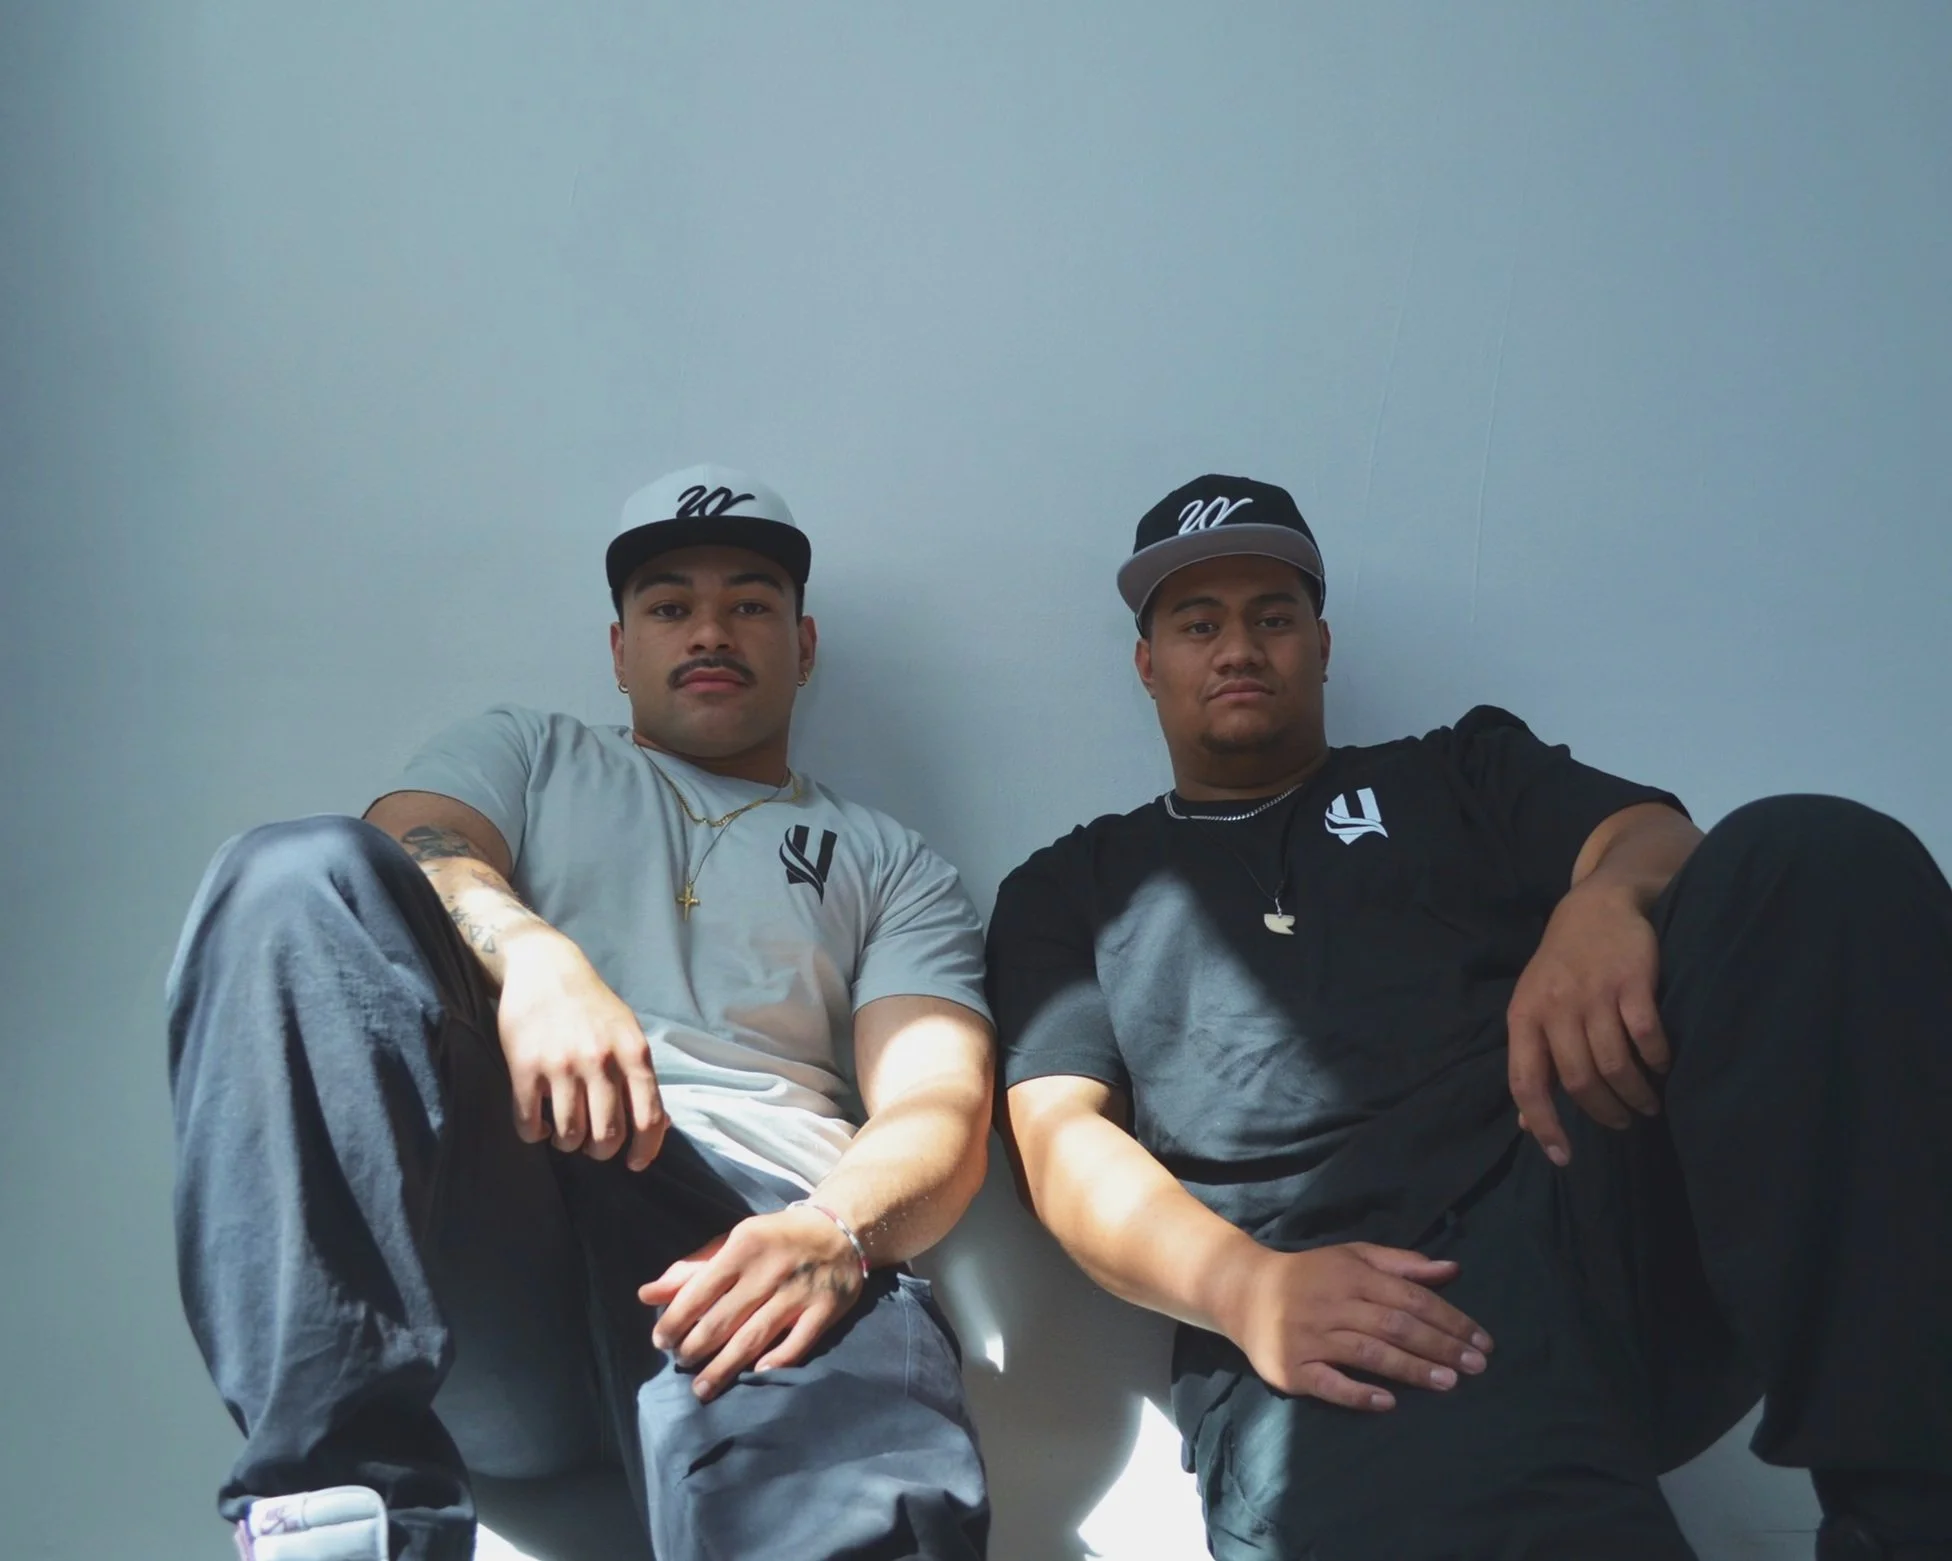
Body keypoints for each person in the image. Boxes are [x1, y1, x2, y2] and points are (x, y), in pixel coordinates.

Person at [984, 474, 1952, 1561]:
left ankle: (1907, 1512)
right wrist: (1242, 1287)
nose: (1238, 648)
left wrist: (1601, 897)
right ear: (1146, 663)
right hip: (1334, 1303)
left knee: (1812, 858)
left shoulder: (1453, 772)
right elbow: (1057, 1145)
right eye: (1197, 623)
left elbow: (1655, 841)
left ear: (1321, 643)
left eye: (1272, 616)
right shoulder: (1072, 884)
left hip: (1591, 1216)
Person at [167, 466, 996, 1561]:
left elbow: (939, 1101)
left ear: (802, 645)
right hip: (512, 1211)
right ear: (620, 649)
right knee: (295, 874)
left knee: (853, 1530)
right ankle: (342, 1513)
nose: (709, 628)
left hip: (749, 1239)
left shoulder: (890, 860)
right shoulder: (530, 752)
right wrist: (538, 956)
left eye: (749, 602)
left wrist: (830, 1231)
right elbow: (410, 839)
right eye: (667, 604)